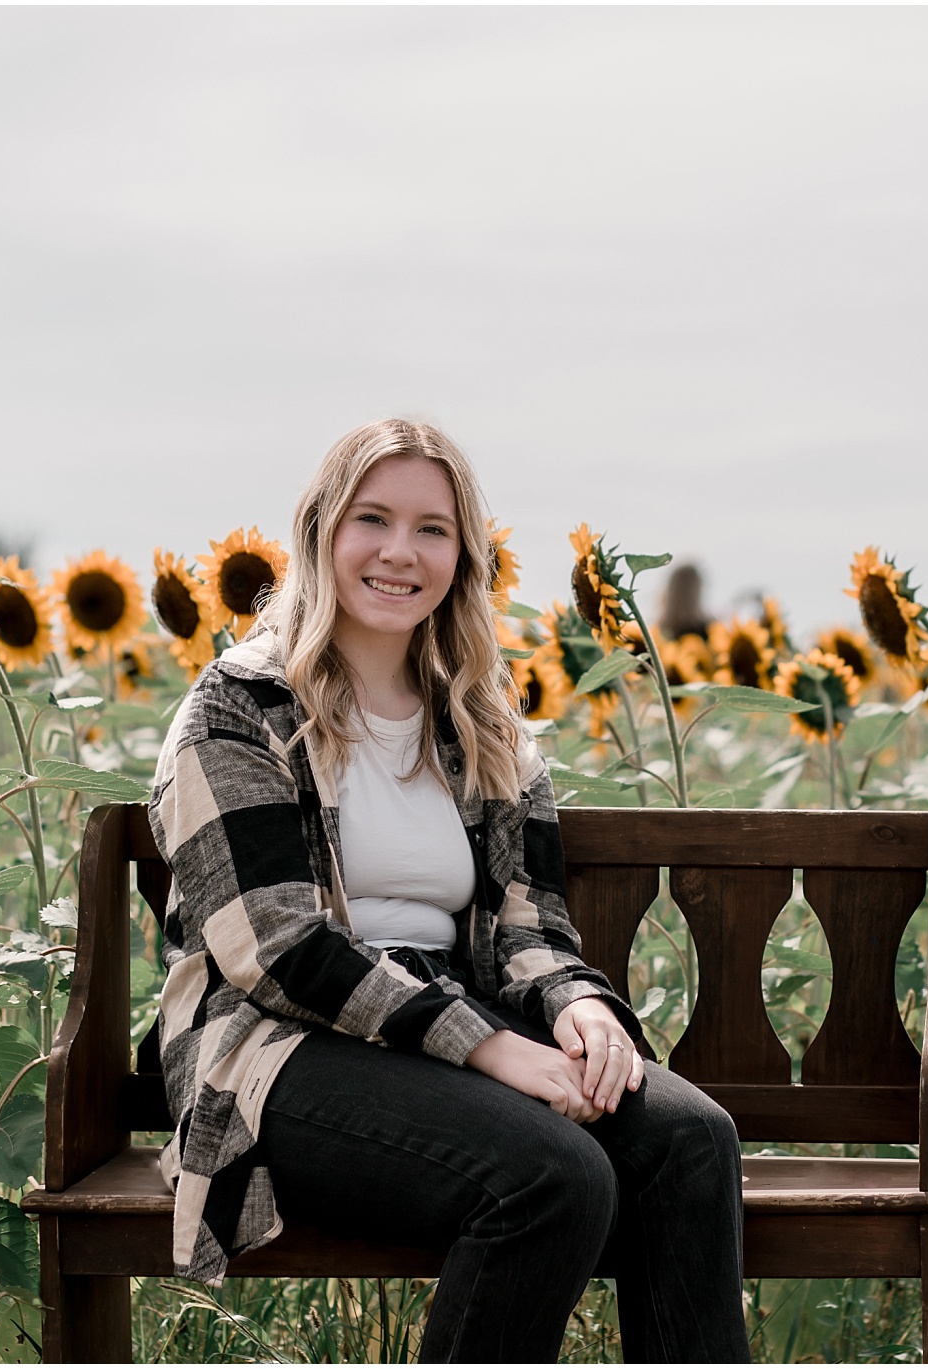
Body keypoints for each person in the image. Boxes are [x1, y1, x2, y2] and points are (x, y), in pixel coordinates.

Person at [146, 418, 750, 1362]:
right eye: (372, 518)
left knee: (690, 1138)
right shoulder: (238, 707)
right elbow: (275, 948)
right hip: (276, 1048)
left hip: (451, 1025)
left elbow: (528, 924)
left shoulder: (483, 723)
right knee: (552, 1176)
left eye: (432, 528)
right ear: (321, 532)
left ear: (463, 555)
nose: (400, 551)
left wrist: (579, 1003)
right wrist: (492, 1049)